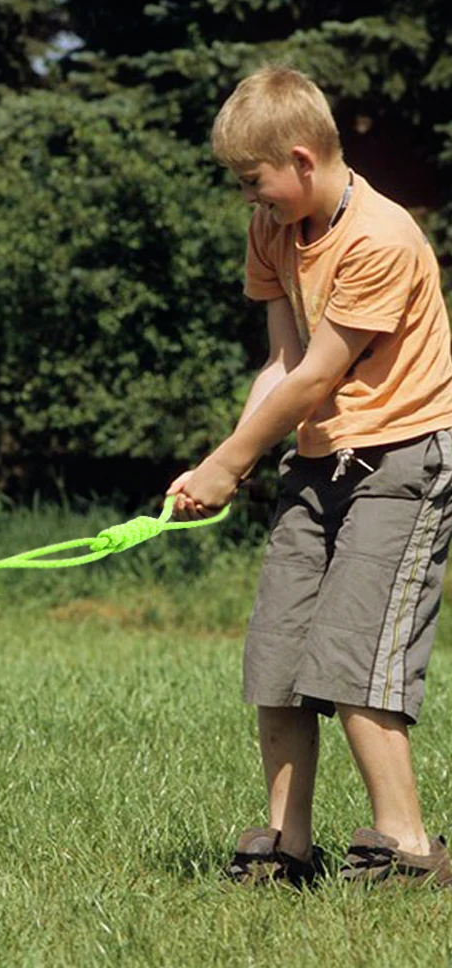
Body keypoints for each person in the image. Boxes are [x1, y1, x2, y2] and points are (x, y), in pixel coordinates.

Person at [168, 65, 452, 886]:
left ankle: (406, 849)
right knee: (281, 658)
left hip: (403, 460)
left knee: (355, 659)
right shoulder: (274, 231)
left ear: (301, 159)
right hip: (319, 460)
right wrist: (214, 462)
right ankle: (289, 847)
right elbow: (282, 362)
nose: (251, 202)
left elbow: (319, 374)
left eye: (256, 183)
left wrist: (231, 462)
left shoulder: (382, 238)